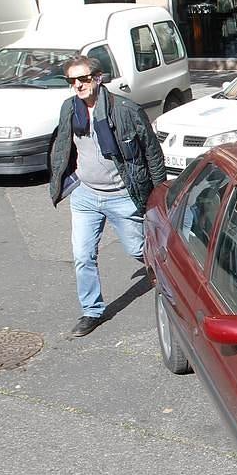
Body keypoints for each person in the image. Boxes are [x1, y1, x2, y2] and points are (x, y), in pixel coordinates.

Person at [47, 55, 166, 338]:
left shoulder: (125, 110)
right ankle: (92, 311)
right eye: (72, 80)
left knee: (138, 249)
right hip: (86, 196)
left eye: (84, 79)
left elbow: (152, 152)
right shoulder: (69, 109)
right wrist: (59, 179)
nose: (78, 85)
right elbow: (63, 145)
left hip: (122, 195)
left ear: (98, 78)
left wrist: (160, 193)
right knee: (82, 255)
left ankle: (170, 276)